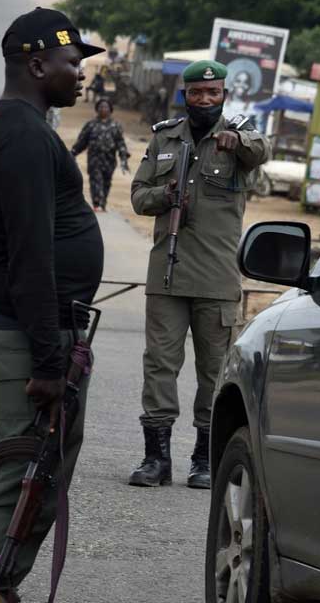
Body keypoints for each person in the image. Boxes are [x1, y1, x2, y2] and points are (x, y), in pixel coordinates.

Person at [0, 7, 106, 603]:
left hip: (2, 324)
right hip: (23, 334)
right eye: (72, 62)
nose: (81, 73)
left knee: (3, 463)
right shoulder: (23, 137)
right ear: (38, 65)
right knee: (24, 468)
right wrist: (46, 359)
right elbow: (30, 254)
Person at [127, 59, 270, 490]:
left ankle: (203, 459)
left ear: (224, 95)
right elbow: (138, 196)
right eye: (196, 93)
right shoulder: (165, 137)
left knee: (214, 371)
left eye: (213, 93)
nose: (205, 100)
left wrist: (236, 141)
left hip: (217, 279)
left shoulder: (239, 135)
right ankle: (156, 458)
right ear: (184, 96)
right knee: (160, 366)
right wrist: (165, 194)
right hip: (167, 274)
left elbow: (260, 151)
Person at [70, 98, 129, 212]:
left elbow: (120, 143)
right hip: (94, 159)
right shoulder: (91, 125)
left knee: (106, 181)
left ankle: (103, 202)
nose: (103, 109)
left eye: (106, 107)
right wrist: (73, 153)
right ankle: (96, 202)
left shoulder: (116, 126)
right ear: (97, 109)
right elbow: (82, 142)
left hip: (109, 160)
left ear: (110, 109)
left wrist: (123, 158)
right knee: (95, 179)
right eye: (101, 107)